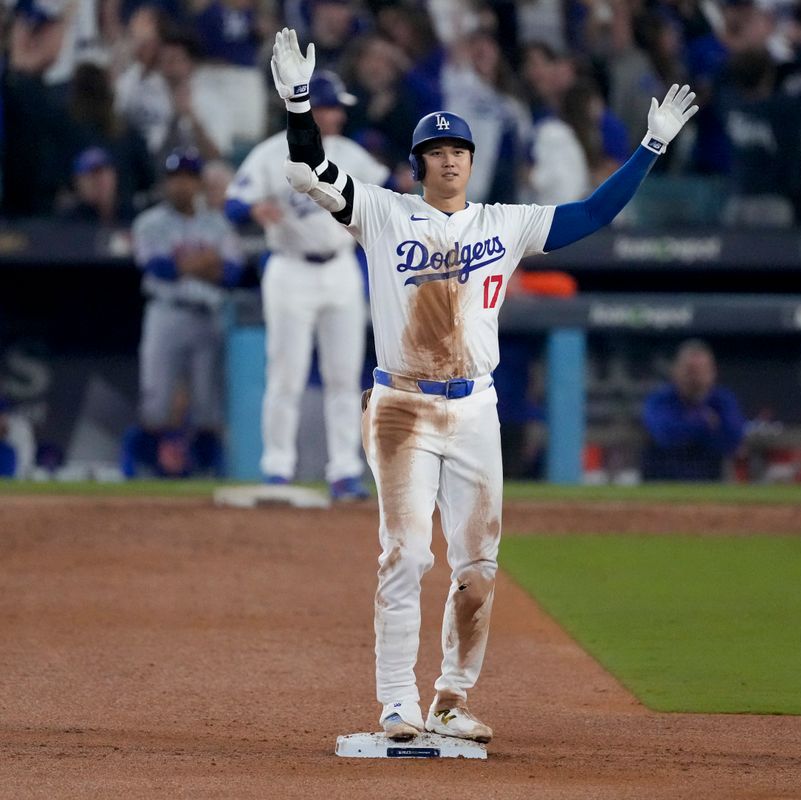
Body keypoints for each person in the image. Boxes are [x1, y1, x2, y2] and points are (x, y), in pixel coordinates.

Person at [268, 28, 697, 743]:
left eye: (459, 151)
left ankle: (451, 699)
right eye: (437, 152)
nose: (450, 161)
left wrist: (649, 148)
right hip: (401, 403)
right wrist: (296, 101)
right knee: (405, 555)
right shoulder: (382, 211)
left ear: (471, 160)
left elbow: (591, 215)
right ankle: (396, 702)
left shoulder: (506, 224)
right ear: (418, 165)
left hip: (475, 408)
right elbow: (311, 161)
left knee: (478, 571)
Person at [226, 71, 389, 500]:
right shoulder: (269, 153)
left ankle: (345, 471)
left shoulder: (351, 154)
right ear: (311, 108)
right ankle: (277, 468)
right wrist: (252, 208)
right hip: (290, 269)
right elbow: (233, 201)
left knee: (344, 376)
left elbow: (389, 191)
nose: (338, 115)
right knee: (286, 374)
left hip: (340, 269)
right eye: (332, 106)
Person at [122, 149, 244, 478]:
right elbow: (159, 268)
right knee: (156, 400)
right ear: (166, 183)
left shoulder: (217, 223)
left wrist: (187, 265)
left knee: (207, 404)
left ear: (199, 183)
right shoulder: (149, 222)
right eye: (175, 178)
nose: (181, 185)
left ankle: (209, 476)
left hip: (208, 317)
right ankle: (137, 473)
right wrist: (206, 261)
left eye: (188, 178)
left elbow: (232, 273)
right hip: (166, 314)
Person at [641, 339, 745, 481]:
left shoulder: (722, 400)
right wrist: (706, 424)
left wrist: (684, 427)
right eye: (690, 370)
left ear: (712, 372)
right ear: (675, 370)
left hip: (711, 481)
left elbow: (732, 439)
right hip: (663, 481)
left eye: (701, 370)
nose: (695, 377)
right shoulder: (660, 399)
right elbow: (664, 435)